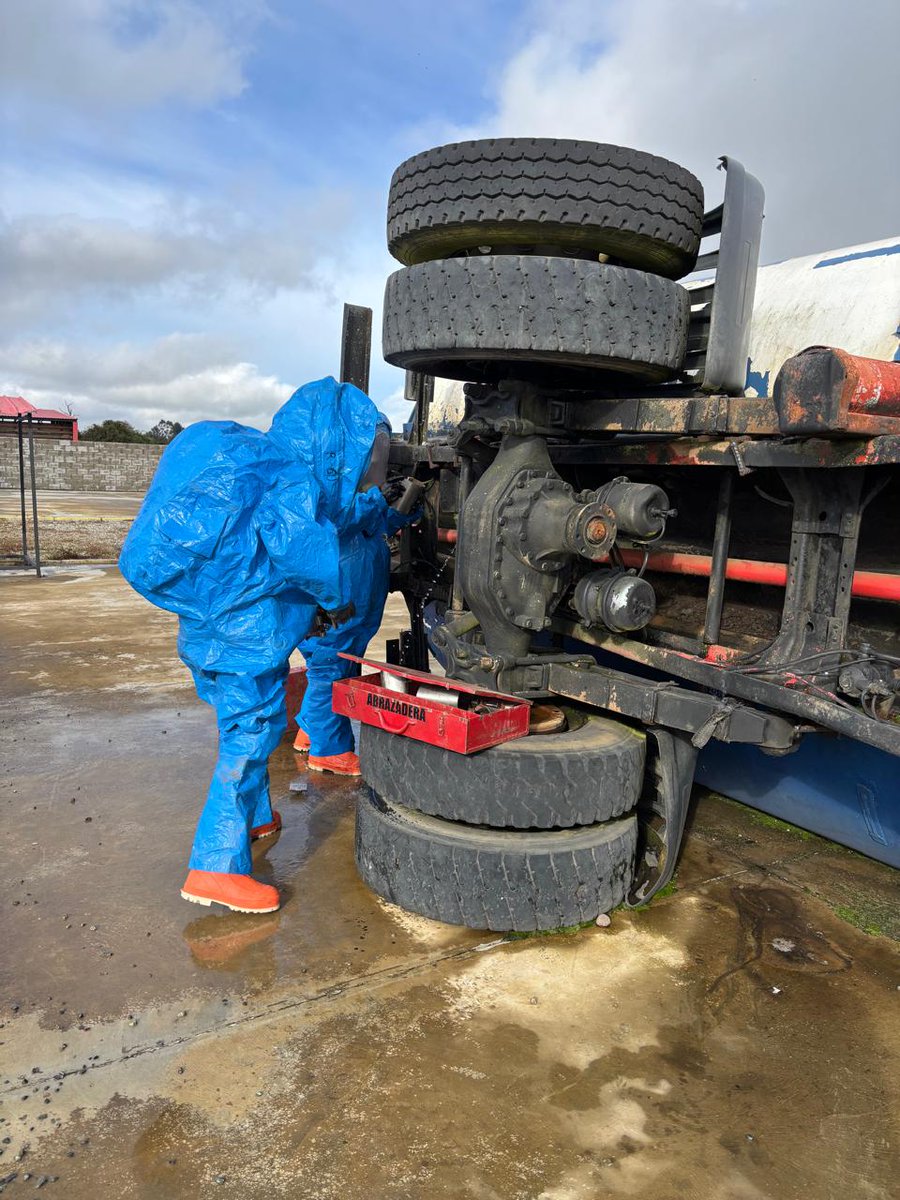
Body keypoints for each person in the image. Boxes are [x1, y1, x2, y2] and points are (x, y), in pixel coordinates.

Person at [119, 377, 411, 914]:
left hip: (210, 630)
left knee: (245, 725)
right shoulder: (290, 483)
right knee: (250, 736)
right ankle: (214, 869)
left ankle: (254, 819)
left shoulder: (257, 461)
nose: (368, 468)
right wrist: (335, 600)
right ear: (332, 446)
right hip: (246, 635)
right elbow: (305, 553)